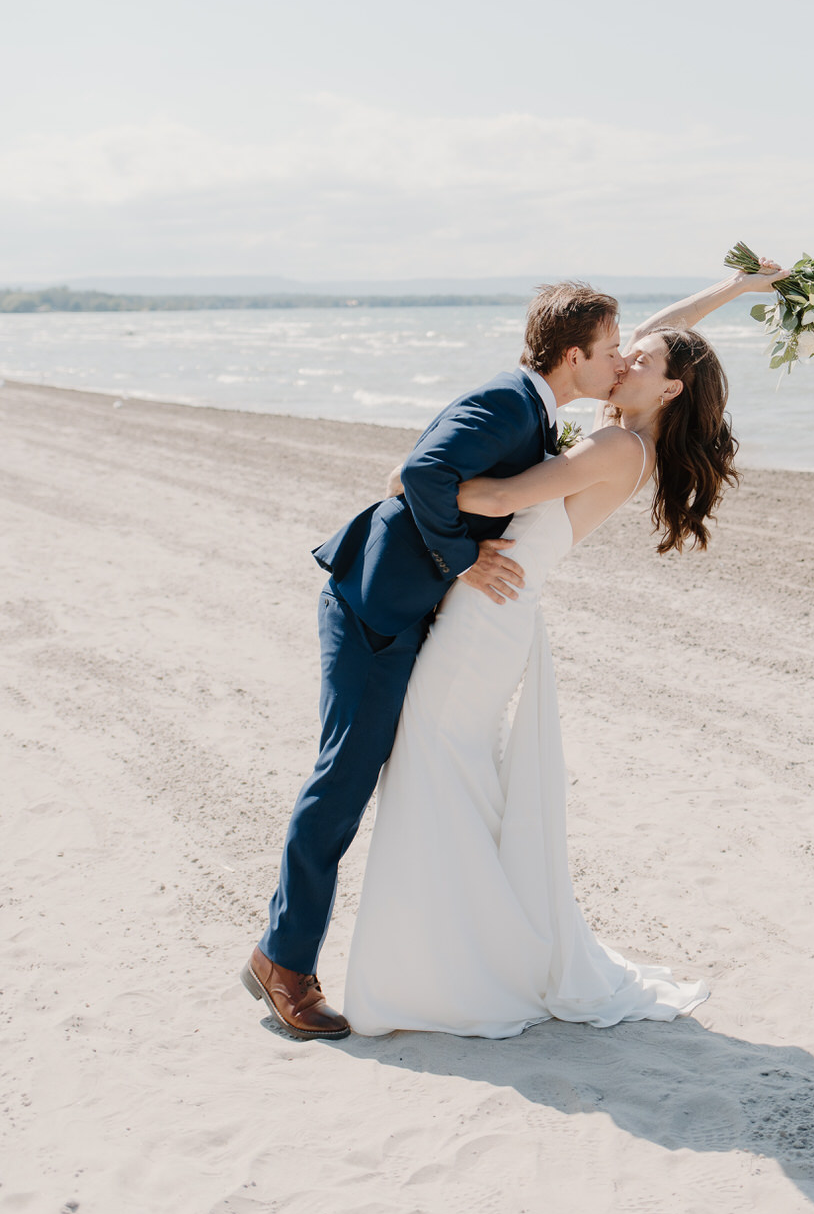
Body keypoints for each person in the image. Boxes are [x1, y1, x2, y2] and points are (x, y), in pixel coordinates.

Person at [342, 260, 786, 1038]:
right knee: (450, 772)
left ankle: (462, 960)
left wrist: (419, 484)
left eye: (637, 361)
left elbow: (508, 498)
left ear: (668, 390)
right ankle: (462, 940)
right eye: (620, 351)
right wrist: (733, 289)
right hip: (490, 610)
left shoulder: (618, 451)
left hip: (490, 619)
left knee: (436, 764)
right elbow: (664, 331)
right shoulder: (622, 423)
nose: (623, 359)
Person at [242, 282, 628, 1038]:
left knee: (375, 774)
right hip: (372, 610)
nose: (619, 363)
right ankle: (281, 963)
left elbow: (655, 345)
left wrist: (740, 287)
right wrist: (464, 558)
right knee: (344, 777)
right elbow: (420, 473)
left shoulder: (537, 405)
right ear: (573, 354)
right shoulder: (508, 402)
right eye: (610, 352)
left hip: (405, 613)